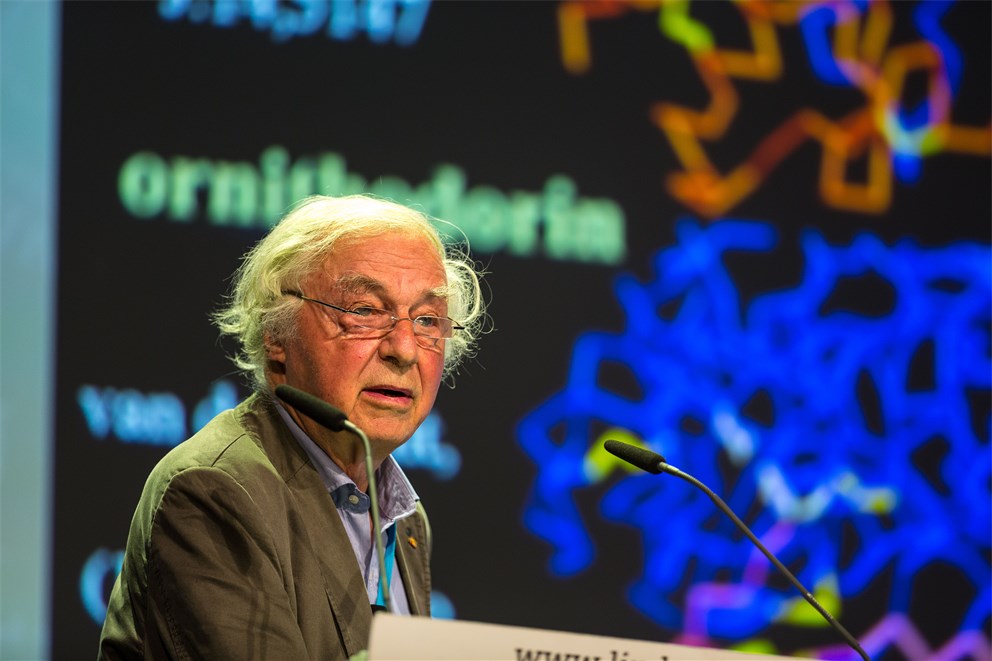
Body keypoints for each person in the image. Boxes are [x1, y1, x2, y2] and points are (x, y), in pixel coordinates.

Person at [98, 194, 486, 659]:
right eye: (364, 311)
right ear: (276, 333)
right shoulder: (213, 492)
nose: (403, 348)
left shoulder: (403, 519)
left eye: (427, 320)